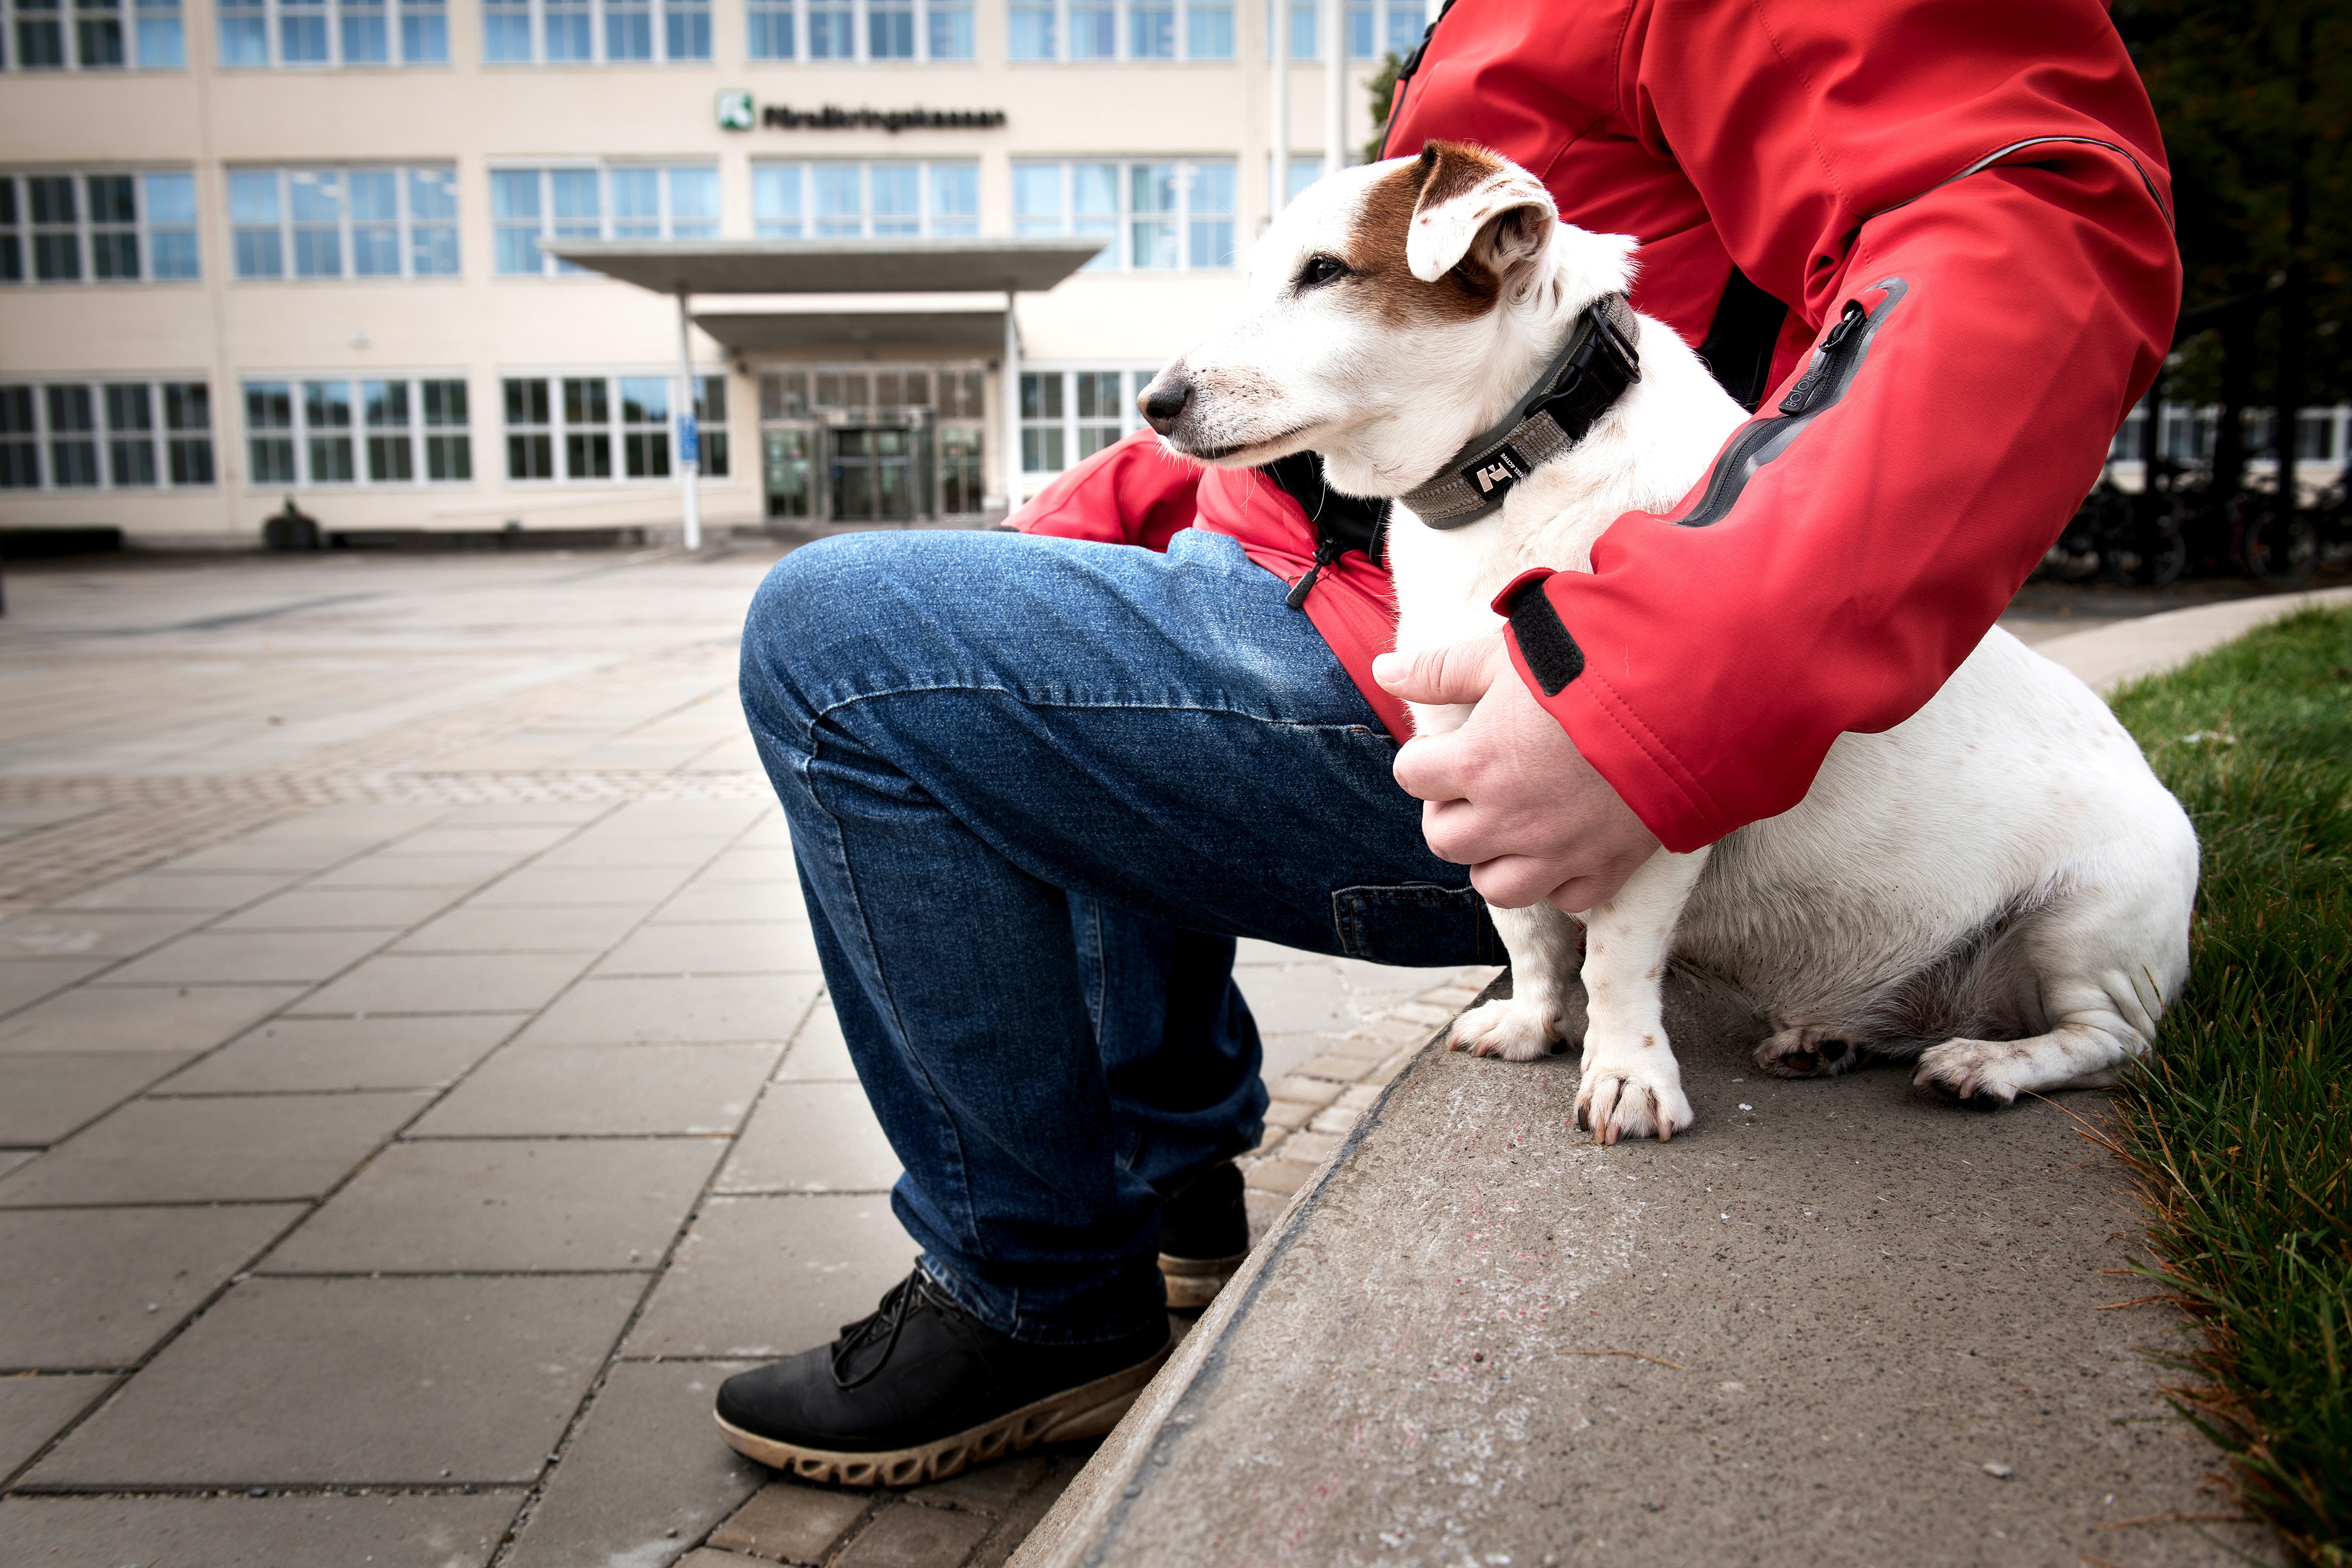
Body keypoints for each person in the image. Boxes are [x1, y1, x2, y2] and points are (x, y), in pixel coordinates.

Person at [716, 0, 2180, 1484]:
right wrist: (1072, 539)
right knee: (945, 640)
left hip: (1540, 682)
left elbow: (2017, 226)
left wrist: (1658, 687)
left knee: (838, 645)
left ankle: (1028, 1290)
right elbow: (1362, 404)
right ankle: (1163, 1195)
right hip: (1371, 594)